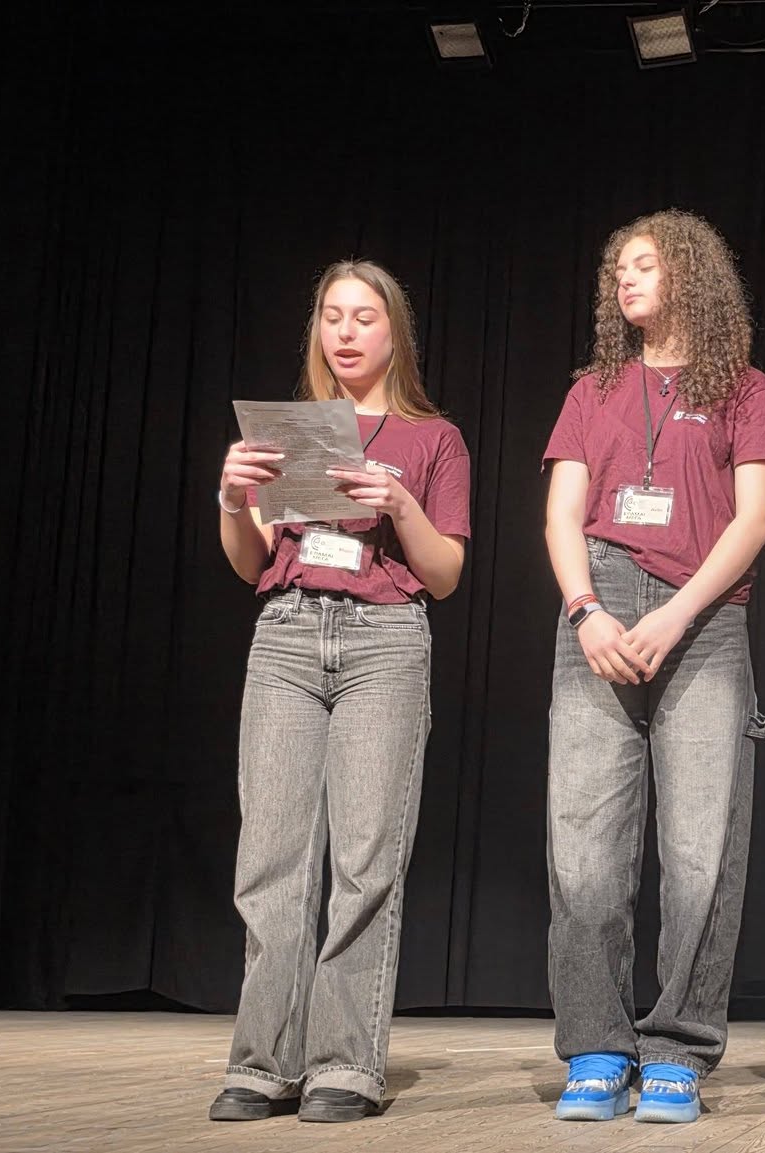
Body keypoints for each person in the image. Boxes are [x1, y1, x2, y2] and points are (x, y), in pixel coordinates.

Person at [209, 260, 472, 1124]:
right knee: (271, 860)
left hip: (383, 642)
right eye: (332, 316)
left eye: (364, 317)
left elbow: (444, 574)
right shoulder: (289, 432)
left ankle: (345, 1064)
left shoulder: (434, 439)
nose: (346, 332)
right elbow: (250, 561)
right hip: (287, 635)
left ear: (395, 332)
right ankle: (263, 1063)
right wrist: (231, 496)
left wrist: (398, 502)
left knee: (365, 862)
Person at [542, 209, 765, 1125]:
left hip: (706, 615)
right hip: (601, 603)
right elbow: (561, 514)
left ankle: (679, 1044)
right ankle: (597, 1046)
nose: (626, 280)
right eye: (620, 269)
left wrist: (679, 612)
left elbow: (756, 518)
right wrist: (586, 610)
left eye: (644, 265)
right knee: (585, 842)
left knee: (701, 846)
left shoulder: (746, 390)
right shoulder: (593, 389)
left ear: (689, 273)